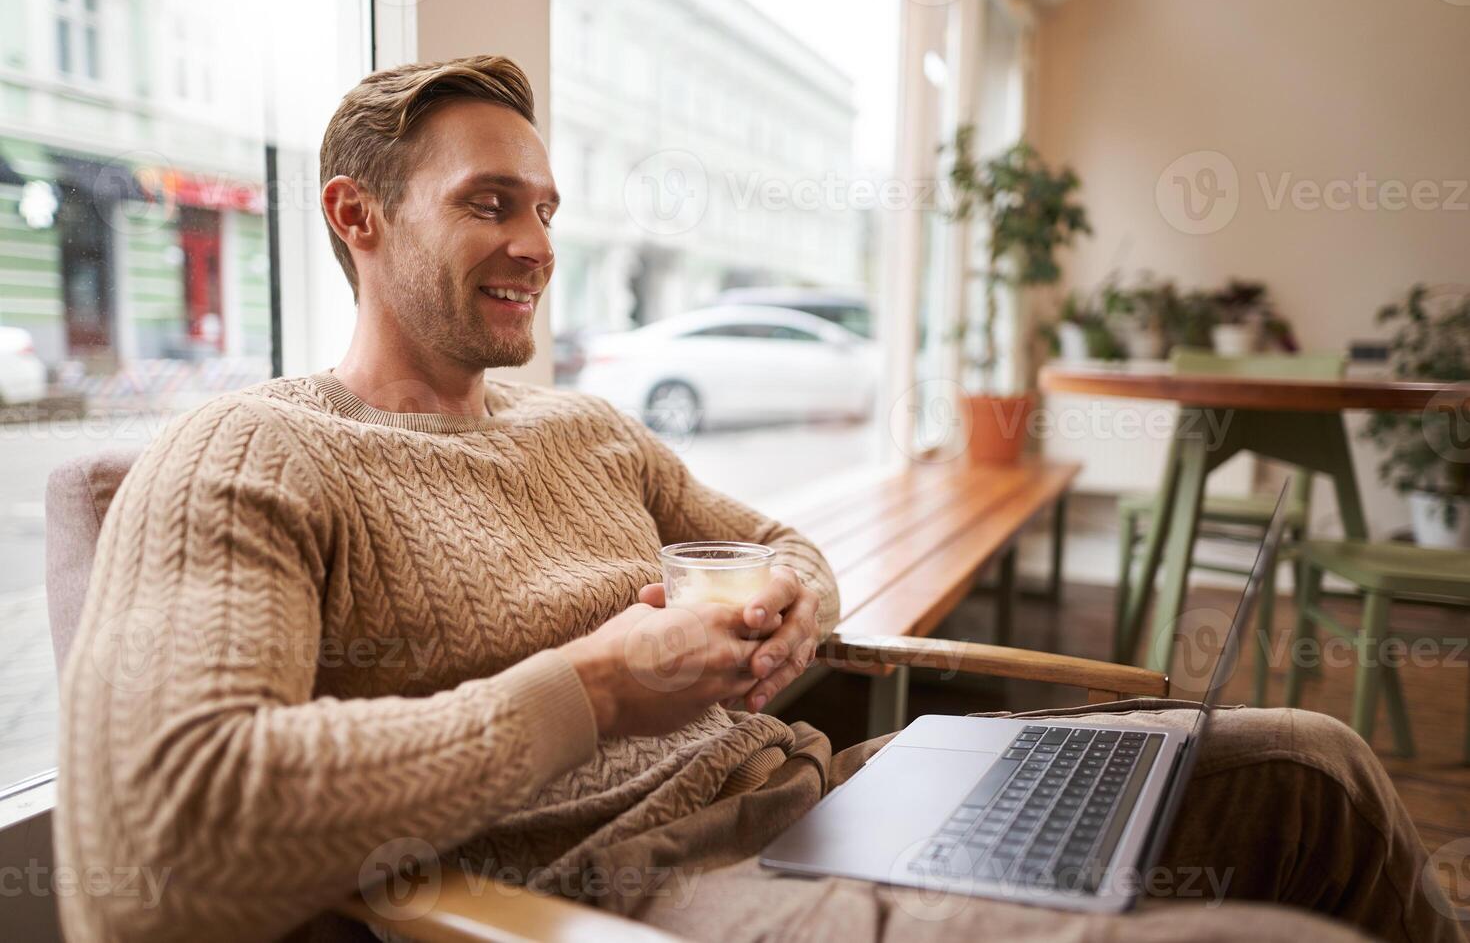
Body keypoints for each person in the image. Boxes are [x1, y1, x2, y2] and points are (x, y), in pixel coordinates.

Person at [56, 56, 1464, 943]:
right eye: (491, 205)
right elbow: (164, 842)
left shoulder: (585, 430)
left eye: (546, 207)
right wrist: (597, 687)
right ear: (355, 218)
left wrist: (802, 610)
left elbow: (782, 543)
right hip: (629, 895)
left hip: (823, 797)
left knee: (1311, 765)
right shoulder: (254, 454)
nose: (536, 244)